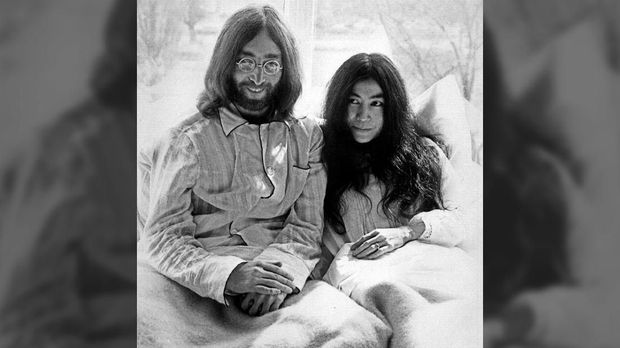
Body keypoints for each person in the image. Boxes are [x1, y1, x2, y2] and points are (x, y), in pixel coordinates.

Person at [136, 6, 390, 347]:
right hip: (191, 279)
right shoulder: (185, 141)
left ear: (285, 71)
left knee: (356, 332)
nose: (258, 77)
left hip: (280, 282)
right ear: (225, 65)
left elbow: (306, 228)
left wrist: (275, 277)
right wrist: (230, 276)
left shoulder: (307, 137)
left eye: (271, 64)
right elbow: (164, 237)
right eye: (246, 62)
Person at [317, 53, 481, 347]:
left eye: (376, 103)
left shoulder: (426, 154)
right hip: (366, 273)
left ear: (391, 107)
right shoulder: (320, 159)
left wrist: (406, 233)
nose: (363, 115)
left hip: (430, 262)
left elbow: (467, 220)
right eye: (353, 101)